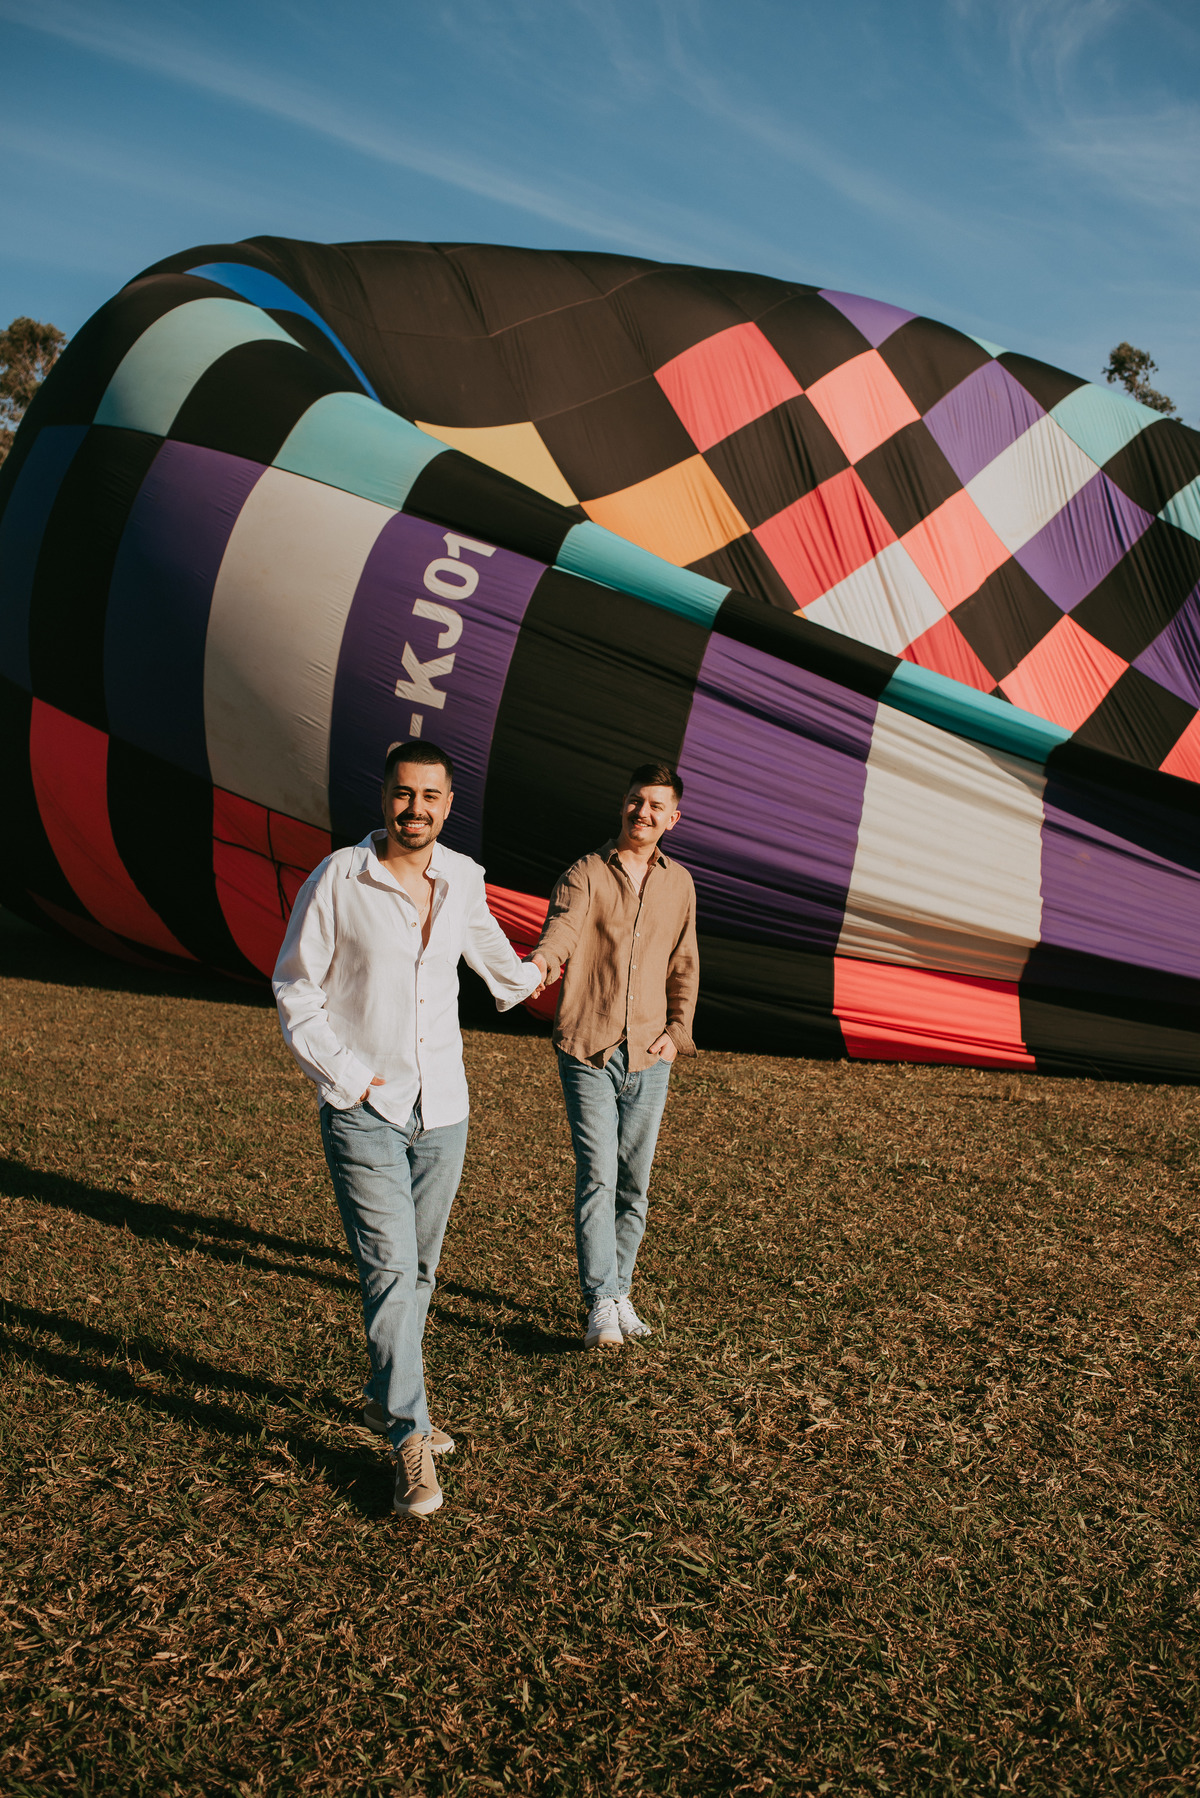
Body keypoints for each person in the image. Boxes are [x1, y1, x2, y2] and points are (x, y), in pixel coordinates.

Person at [272, 740, 544, 1517]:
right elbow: (294, 987)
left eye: (429, 796)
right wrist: (351, 1081)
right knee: (390, 1273)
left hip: (444, 1109)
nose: (414, 809)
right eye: (402, 794)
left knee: (419, 1274)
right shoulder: (339, 878)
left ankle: (386, 1396)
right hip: (365, 1110)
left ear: (448, 804)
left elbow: (495, 959)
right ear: (383, 796)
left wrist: (537, 971)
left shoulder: (461, 879)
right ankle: (408, 1436)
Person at [530, 763, 698, 1351]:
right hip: (590, 1047)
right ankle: (600, 1298)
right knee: (597, 1175)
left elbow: (684, 962)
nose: (642, 812)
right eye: (635, 800)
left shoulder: (680, 884)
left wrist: (677, 1032)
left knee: (636, 1183)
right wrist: (542, 966)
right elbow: (562, 932)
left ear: (673, 818)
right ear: (621, 805)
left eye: (655, 805)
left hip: (651, 1052)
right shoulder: (585, 873)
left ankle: (621, 1291)